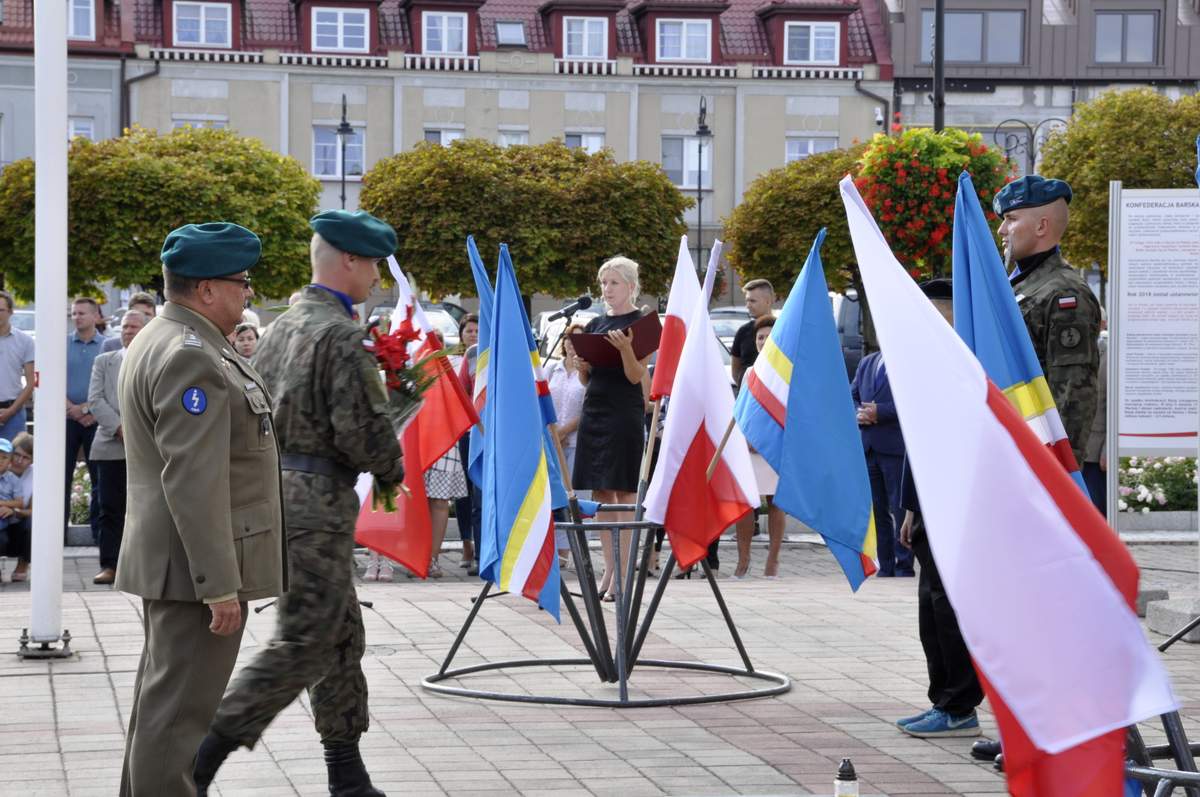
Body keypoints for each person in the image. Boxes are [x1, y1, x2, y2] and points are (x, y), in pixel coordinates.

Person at [193, 209, 405, 797]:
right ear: (349, 263)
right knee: (304, 640)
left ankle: (348, 775)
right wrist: (393, 462)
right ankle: (199, 758)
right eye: (372, 266)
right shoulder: (340, 334)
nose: (376, 279)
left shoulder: (284, 326)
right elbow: (361, 433)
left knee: (338, 637)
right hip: (316, 505)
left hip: (280, 495)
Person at [117, 222, 286, 797]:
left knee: (160, 712)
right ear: (208, 289)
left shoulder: (165, 337)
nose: (248, 294)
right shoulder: (194, 357)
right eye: (242, 282)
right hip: (195, 571)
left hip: (175, 561)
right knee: (176, 726)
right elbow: (194, 480)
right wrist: (219, 584)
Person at [974, 175, 1102, 765]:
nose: (1003, 229)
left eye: (1011, 220)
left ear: (1043, 225)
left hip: (1043, 479)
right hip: (1011, 473)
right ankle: (1022, 725)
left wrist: (1052, 482)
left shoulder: (1065, 294)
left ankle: (1055, 729)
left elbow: (1070, 400)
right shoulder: (1017, 287)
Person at [894, 278, 984, 740]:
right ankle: (943, 700)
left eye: (934, 312)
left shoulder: (968, 364)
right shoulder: (929, 364)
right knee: (931, 608)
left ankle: (960, 704)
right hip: (929, 503)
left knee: (950, 609)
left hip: (960, 501)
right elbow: (918, 443)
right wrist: (910, 509)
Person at [573, 256, 651, 600]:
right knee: (602, 493)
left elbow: (637, 377)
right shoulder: (594, 324)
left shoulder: (644, 322)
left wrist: (624, 350)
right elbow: (586, 379)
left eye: (614, 283)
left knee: (624, 491)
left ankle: (624, 573)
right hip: (595, 410)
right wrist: (580, 365)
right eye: (604, 283)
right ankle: (608, 568)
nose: (607, 289)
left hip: (624, 412)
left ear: (630, 286)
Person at [87, 309, 148, 585]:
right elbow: (95, 400)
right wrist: (121, 427)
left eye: (134, 327)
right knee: (109, 506)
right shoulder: (104, 361)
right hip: (110, 445)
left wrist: (136, 429)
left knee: (144, 507)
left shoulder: (154, 361)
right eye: (124, 327)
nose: (128, 331)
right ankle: (110, 565)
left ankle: (140, 564)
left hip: (145, 447)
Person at [850, 347, 912, 578]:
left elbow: (912, 399)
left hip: (894, 447)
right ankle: (885, 564)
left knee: (899, 506)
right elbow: (853, 393)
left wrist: (880, 412)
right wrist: (860, 412)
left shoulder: (906, 361)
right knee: (878, 510)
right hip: (869, 446)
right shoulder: (867, 362)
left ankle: (904, 563)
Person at [734, 316, 786, 579]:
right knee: (745, 503)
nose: (764, 341)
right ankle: (743, 561)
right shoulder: (750, 373)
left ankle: (773, 561)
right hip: (750, 448)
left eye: (769, 337)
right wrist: (746, 438)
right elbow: (742, 411)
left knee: (776, 503)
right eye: (760, 337)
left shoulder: (788, 372)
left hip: (776, 447)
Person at [65, 296, 107, 544]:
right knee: (62, 477)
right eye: (74, 313)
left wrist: (88, 409)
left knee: (99, 478)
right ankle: (57, 535)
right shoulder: (63, 345)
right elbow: (49, 378)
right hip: (67, 419)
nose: (77, 317)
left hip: (96, 419)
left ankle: (98, 535)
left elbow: (107, 384)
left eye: (82, 313)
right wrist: (71, 408)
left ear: (95, 316)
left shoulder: (105, 346)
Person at [547, 323, 587, 567]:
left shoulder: (587, 372)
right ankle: (560, 553)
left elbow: (589, 409)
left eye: (578, 340)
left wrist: (564, 431)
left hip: (575, 442)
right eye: (569, 339)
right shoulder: (553, 369)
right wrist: (553, 433)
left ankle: (579, 550)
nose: (572, 343)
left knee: (575, 499)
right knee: (555, 499)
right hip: (552, 443)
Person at [451, 313, 480, 571]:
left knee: (481, 491)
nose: (474, 334)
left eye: (477, 330)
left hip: (487, 433)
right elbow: (460, 393)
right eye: (469, 330)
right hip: (467, 432)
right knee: (465, 492)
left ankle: (482, 548)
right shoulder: (465, 357)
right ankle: (467, 543)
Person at [1082, 308, 1108, 516]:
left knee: (1096, 511)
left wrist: (1108, 448)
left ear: (1103, 325)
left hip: (1095, 454)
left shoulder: (1109, 357)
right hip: (1073, 449)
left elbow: (1111, 405)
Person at [0, 290, 34, 444]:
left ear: (11, 312)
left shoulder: (24, 341)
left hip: (13, 413)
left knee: (16, 461)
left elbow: (31, 381)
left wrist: (11, 411)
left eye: (1, 310)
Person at [730, 278, 775, 387]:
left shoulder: (782, 329)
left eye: (752, 301)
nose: (748, 305)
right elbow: (735, 370)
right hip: (749, 395)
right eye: (747, 301)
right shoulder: (743, 331)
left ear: (768, 301)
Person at [1, 432, 33, 582]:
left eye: (26, 457)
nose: (19, 461)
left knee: (33, 523)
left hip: (18, 523)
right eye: (17, 455)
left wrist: (13, 511)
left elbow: (34, 510)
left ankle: (23, 564)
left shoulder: (36, 475)